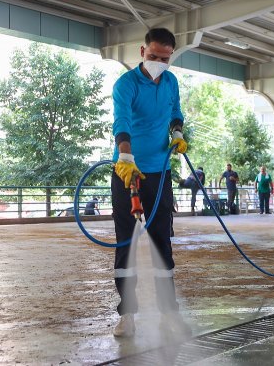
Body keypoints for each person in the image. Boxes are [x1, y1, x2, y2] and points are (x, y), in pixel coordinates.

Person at [110, 28, 191, 340]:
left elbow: (175, 112)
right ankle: (127, 315)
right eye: (154, 56)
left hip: (159, 172)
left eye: (165, 58)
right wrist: (126, 156)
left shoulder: (170, 81)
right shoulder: (126, 84)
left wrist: (177, 133)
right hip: (127, 171)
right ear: (142, 51)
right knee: (125, 243)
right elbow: (122, 121)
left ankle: (168, 313)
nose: (159, 62)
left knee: (161, 242)